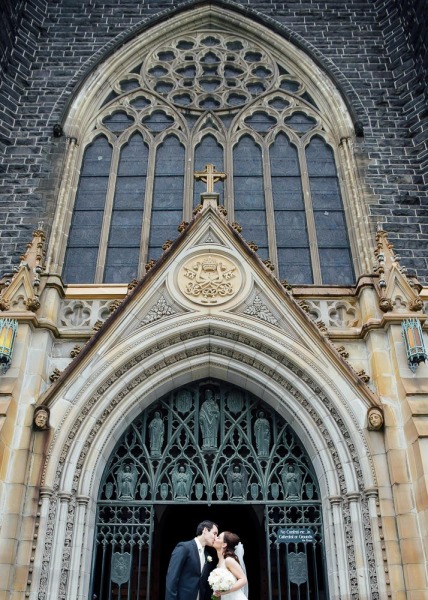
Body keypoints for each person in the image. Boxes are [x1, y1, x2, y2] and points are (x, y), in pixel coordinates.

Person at [165, 519, 218, 600]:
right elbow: (172, 578)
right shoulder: (184, 547)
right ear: (205, 530)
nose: (216, 537)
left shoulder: (208, 556)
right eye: (214, 533)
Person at [211, 531, 248, 599]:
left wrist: (225, 592)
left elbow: (243, 579)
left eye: (218, 538)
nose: (215, 538)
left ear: (224, 544)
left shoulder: (228, 560)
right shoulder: (219, 563)